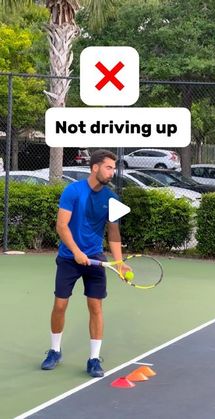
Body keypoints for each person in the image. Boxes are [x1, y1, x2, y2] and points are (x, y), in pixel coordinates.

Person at [41, 149, 129, 377]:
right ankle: (54, 350)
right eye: (108, 167)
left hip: (96, 258)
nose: (112, 172)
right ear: (95, 167)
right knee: (60, 305)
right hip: (69, 259)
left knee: (95, 307)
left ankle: (93, 359)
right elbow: (61, 226)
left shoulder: (112, 199)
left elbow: (114, 234)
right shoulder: (72, 191)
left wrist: (119, 263)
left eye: (113, 168)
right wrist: (76, 251)